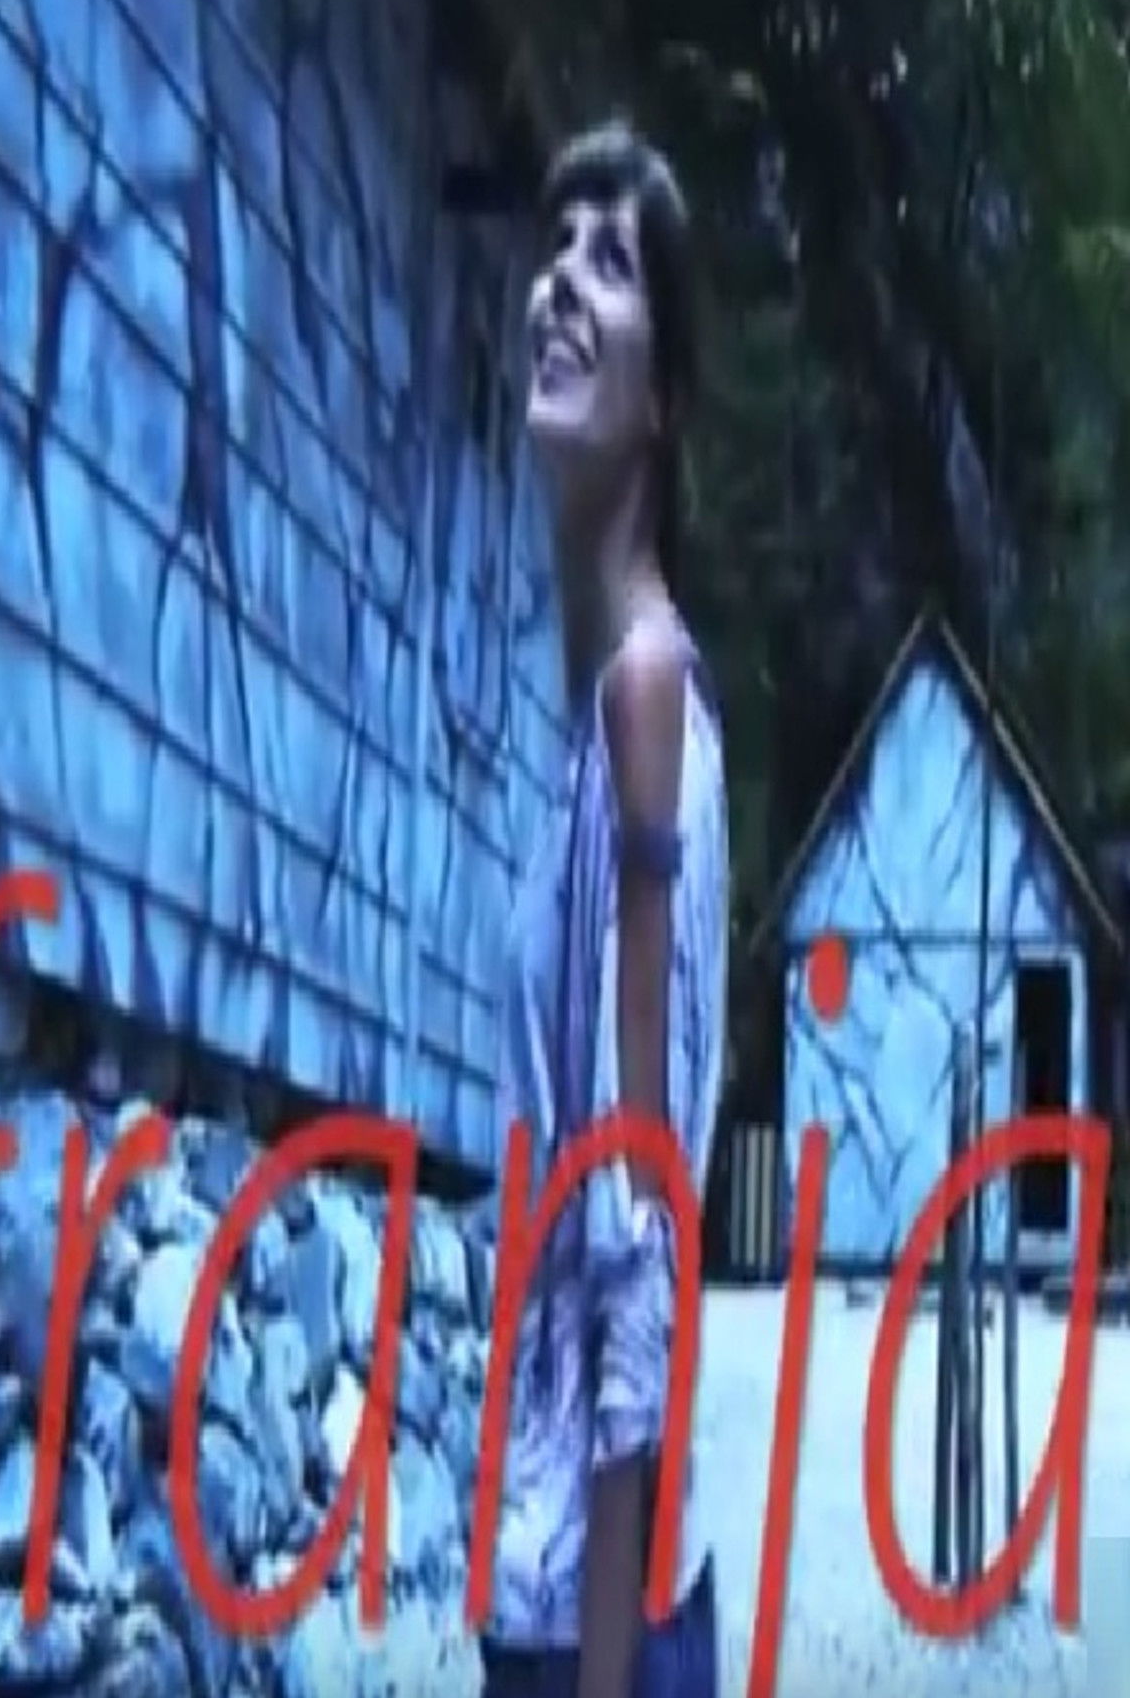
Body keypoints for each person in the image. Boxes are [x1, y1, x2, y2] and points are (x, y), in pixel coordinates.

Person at [479, 117, 729, 1698]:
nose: (560, 281)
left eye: (614, 261)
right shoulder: (624, 708)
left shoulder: (644, 696)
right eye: (556, 247)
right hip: (583, 1596)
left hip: (596, 1628)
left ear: (667, 404)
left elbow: (635, 1243)